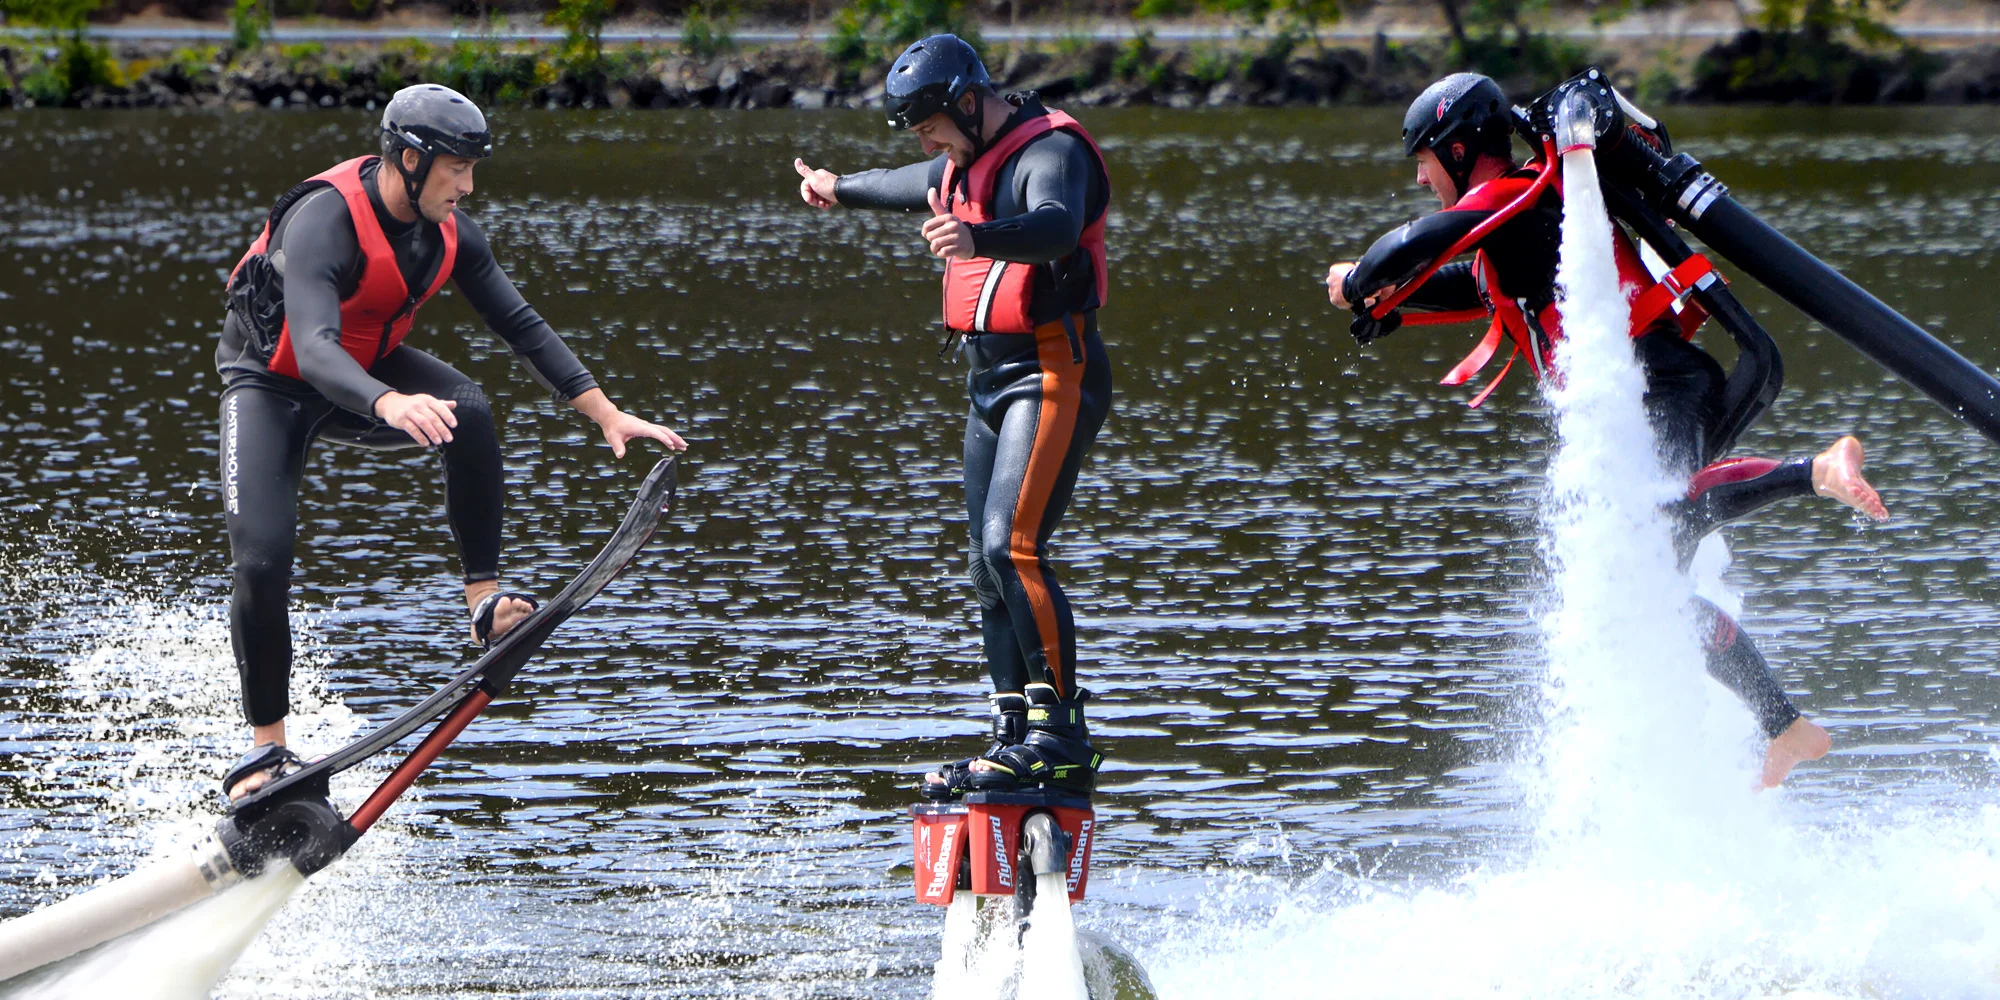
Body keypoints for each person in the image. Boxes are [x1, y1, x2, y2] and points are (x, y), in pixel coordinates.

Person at [1327, 73, 1889, 788]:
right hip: (1652, 390)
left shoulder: (1511, 198)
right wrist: (1392, 305)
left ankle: (1817, 470)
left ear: (1462, 150)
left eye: (1424, 159)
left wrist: (1361, 277)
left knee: (1656, 516)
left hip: (1659, 382)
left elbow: (1423, 240)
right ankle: (1787, 727)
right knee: (1649, 590)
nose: (1418, 177)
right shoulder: (1521, 229)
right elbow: (1470, 284)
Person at [214, 84, 685, 801]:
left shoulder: (451, 231)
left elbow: (520, 325)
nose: (467, 186)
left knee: (469, 409)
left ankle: (484, 605)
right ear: (409, 158)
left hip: (367, 372)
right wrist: (389, 400)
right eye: (456, 169)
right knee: (261, 557)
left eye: (473, 170)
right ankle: (265, 756)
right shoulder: (324, 221)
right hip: (271, 383)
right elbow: (311, 347)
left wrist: (606, 414)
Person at [792, 35, 1113, 799]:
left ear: (970, 102)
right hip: (989, 380)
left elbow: (1056, 227)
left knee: (1013, 547)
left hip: (1051, 371)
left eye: (933, 125)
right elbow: (915, 180)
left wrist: (976, 238)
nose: (928, 144)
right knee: (982, 563)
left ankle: (1061, 736)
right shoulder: (965, 156)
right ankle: (1013, 734)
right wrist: (841, 187)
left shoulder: (1051, 153)